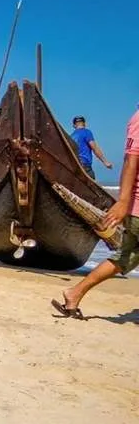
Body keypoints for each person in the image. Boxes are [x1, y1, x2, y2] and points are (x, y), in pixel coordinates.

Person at [53, 107, 139, 319]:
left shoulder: (73, 135)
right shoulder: (136, 121)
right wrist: (123, 201)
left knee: (126, 257)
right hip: (135, 204)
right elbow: (130, 161)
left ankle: (74, 293)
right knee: (126, 256)